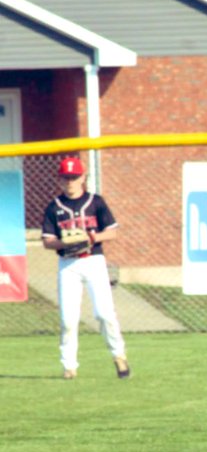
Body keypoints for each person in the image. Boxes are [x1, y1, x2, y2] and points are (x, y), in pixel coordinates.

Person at [41, 155, 131, 380]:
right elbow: (47, 241)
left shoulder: (96, 202)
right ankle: (69, 366)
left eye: (74, 177)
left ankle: (119, 355)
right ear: (59, 180)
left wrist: (91, 237)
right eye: (65, 177)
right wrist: (65, 242)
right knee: (68, 319)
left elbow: (113, 232)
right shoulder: (54, 207)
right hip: (68, 265)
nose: (70, 181)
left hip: (93, 261)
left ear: (83, 177)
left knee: (104, 314)